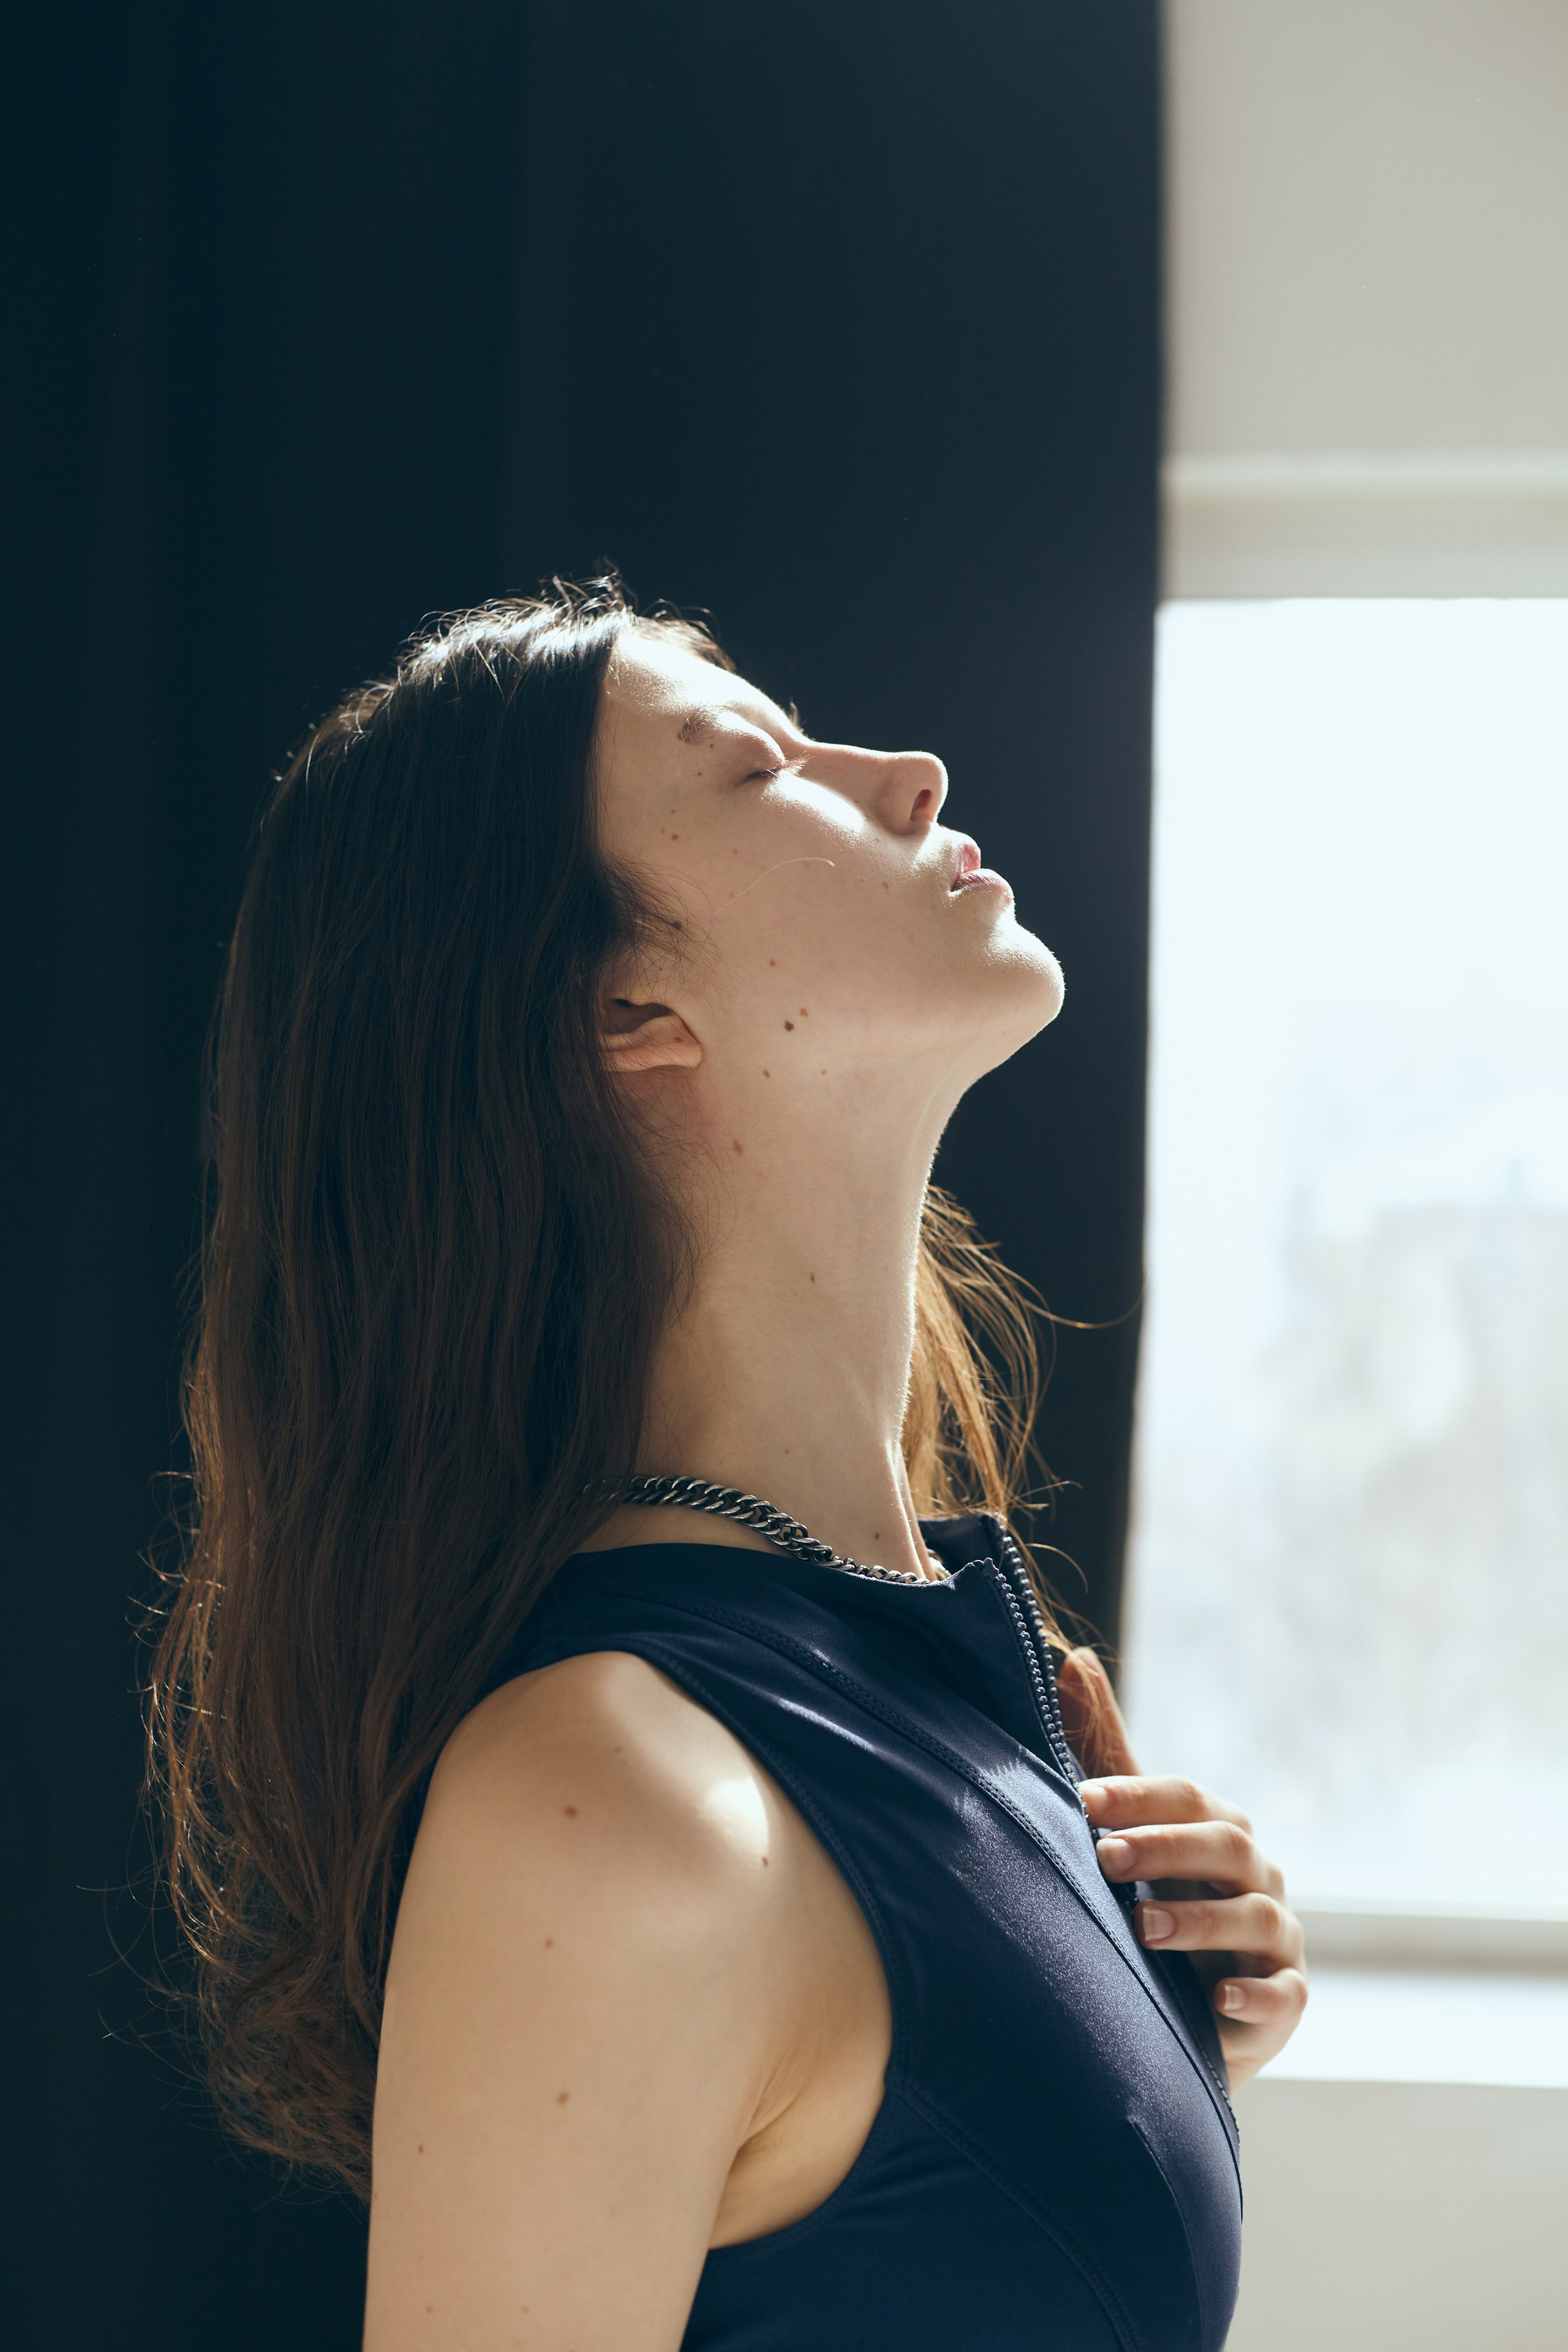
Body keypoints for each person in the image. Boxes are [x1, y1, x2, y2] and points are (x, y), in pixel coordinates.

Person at [152, 583, 1306, 2350]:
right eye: (763, 767)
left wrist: (1148, 2056)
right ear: (624, 1011)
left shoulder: (904, 1672)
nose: (908, 772)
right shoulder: (601, 1795)